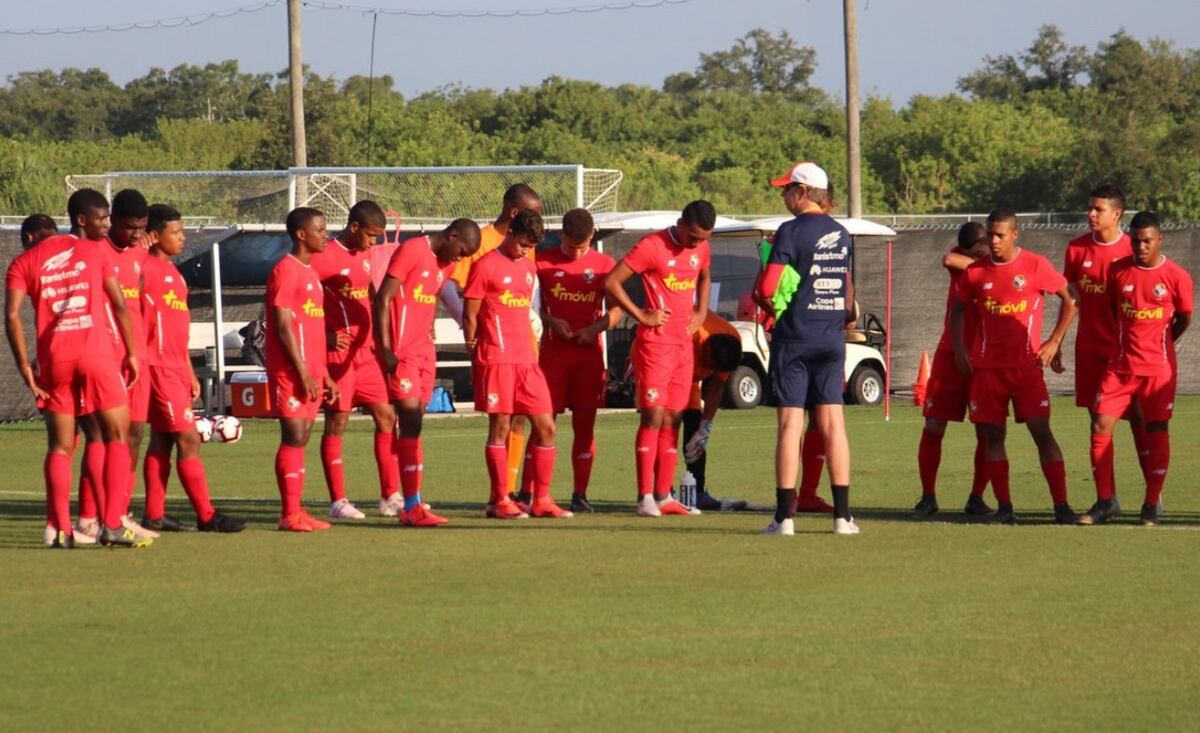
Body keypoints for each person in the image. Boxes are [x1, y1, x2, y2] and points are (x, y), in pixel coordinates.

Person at [5, 188, 149, 547]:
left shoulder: (23, 263)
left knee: (60, 446)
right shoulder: (94, 251)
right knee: (117, 436)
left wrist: (24, 366)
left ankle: (59, 529)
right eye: (102, 218)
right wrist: (132, 353)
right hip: (96, 354)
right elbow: (118, 304)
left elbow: (11, 316)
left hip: (55, 360)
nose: (106, 224)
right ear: (81, 219)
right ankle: (111, 523)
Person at [951, 208, 1080, 525]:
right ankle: (1005, 506)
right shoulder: (976, 272)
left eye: (1000, 235)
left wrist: (1055, 341)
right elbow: (957, 310)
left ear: (1015, 234)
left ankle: (1062, 505)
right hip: (987, 370)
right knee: (993, 437)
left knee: (1042, 433)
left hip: (1026, 368)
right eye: (990, 235)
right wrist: (960, 349)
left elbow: (1071, 298)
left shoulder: (1035, 265)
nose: (994, 241)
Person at [756, 162, 858, 536]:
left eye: (787, 189)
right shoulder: (842, 233)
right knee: (834, 425)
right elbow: (847, 293)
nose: (783, 196)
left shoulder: (790, 230)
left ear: (802, 192)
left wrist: (777, 308)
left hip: (795, 338)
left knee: (790, 425)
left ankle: (784, 518)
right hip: (831, 339)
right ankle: (843, 518)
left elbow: (767, 289)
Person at [139, 204, 248, 533]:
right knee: (188, 439)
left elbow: (177, 330)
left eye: (182, 231)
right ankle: (206, 515)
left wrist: (187, 369)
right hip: (157, 366)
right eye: (176, 232)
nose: (182, 237)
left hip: (174, 367)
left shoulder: (175, 274)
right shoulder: (141, 267)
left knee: (162, 439)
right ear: (154, 236)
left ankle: (154, 514)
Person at [605, 200, 715, 517]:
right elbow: (611, 282)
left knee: (674, 418)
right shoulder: (651, 246)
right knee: (652, 416)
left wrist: (701, 311)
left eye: (703, 238)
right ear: (681, 223)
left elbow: (705, 276)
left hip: (683, 346)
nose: (696, 244)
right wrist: (642, 315)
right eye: (693, 236)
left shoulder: (701, 247)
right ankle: (644, 498)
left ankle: (664, 496)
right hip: (654, 346)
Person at [1084, 211, 1191, 527]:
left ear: (1159, 239)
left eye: (1147, 241)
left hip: (1158, 369)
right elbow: (1114, 310)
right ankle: (1106, 501)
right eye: (1135, 241)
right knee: (1100, 424)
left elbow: (1184, 316)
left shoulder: (1176, 276)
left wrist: (1163, 342)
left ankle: (1150, 504)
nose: (1140, 247)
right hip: (1120, 367)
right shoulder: (1118, 270)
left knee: (1156, 429)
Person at [464, 209, 571, 520]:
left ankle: (541, 499)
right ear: (510, 233)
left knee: (547, 427)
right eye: (522, 243)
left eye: (531, 246)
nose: (525, 250)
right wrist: (473, 349)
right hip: (497, 358)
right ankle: (499, 500)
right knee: (501, 426)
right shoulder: (485, 265)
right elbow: (470, 314)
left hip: (527, 359)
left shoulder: (528, 267)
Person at [374, 218, 482, 526]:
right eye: (461, 251)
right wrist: (385, 348)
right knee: (409, 421)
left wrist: (430, 328)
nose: (460, 259)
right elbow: (383, 298)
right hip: (402, 353)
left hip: (424, 353)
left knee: (415, 424)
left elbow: (430, 296)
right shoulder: (412, 250)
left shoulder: (446, 264)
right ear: (452, 235)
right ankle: (408, 504)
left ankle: (412, 500)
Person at [451, 184, 544, 503]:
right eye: (532, 212)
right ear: (515, 213)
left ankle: (514, 488)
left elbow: (526, 290)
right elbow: (460, 291)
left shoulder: (526, 246)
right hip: (495, 348)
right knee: (501, 420)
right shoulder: (481, 243)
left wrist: (535, 317)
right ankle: (500, 494)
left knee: (524, 419)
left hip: (524, 347)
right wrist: (473, 340)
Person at [1058, 184, 1140, 523]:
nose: (1091, 214)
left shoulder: (1133, 249)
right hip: (1090, 350)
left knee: (1140, 420)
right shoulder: (1077, 249)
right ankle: (1106, 499)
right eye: (1090, 208)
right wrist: (1057, 341)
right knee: (1098, 422)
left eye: (1099, 209)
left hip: (1125, 353)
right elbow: (1071, 299)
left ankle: (1153, 497)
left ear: (1117, 214)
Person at [309, 200, 392, 520]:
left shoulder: (365, 254)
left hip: (366, 353)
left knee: (387, 417)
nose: (373, 242)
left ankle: (390, 496)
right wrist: (324, 334)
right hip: (338, 353)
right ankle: (338, 501)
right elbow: (300, 297)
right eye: (370, 235)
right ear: (354, 227)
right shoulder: (324, 256)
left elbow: (369, 292)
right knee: (338, 421)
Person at [533, 207, 619, 513]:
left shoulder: (605, 265)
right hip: (552, 356)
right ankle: (533, 493)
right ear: (561, 235)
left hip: (588, 357)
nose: (576, 252)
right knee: (543, 424)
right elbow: (530, 307)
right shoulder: (541, 262)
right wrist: (551, 321)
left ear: (592, 236)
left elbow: (617, 310)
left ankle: (580, 494)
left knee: (585, 426)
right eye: (571, 247)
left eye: (582, 247)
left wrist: (594, 329)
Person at [911, 222, 993, 518]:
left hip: (984, 358)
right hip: (950, 355)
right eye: (977, 252)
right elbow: (948, 259)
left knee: (988, 430)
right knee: (934, 426)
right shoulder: (964, 260)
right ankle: (928, 496)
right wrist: (984, 265)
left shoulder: (999, 262)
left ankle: (977, 497)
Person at [266, 207, 339, 532]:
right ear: (301, 234)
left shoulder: (311, 273)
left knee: (304, 435)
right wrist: (302, 372)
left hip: (312, 370)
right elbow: (283, 327)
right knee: (294, 434)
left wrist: (324, 374)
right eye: (320, 230)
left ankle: (297, 509)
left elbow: (312, 327)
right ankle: (288, 514)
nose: (326, 235)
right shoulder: (286, 270)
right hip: (291, 370)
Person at [104, 189, 157, 539]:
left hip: (139, 359)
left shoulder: (141, 254)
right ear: (112, 220)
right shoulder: (97, 253)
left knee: (135, 434)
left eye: (141, 227)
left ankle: (121, 510)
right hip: (106, 357)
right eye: (129, 227)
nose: (136, 234)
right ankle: (98, 514)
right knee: (107, 437)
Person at [681, 313, 745, 510]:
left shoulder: (731, 340)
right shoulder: (689, 333)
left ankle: (698, 493)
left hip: (689, 379)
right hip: (668, 370)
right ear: (706, 350)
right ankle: (661, 493)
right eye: (710, 367)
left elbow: (717, 385)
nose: (710, 371)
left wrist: (705, 428)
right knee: (666, 426)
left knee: (695, 427)